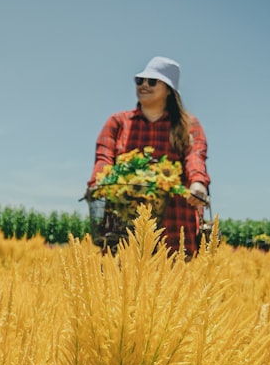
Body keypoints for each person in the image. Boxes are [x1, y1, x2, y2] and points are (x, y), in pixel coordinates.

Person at [87, 56, 210, 254]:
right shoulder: (118, 122)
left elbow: (195, 155)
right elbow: (104, 157)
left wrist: (198, 182)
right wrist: (99, 181)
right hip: (124, 223)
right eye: (140, 81)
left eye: (152, 81)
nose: (144, 85)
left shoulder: (188, 125)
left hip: (174, 221)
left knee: (175, 281)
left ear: (169, 90)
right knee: (121, 281)